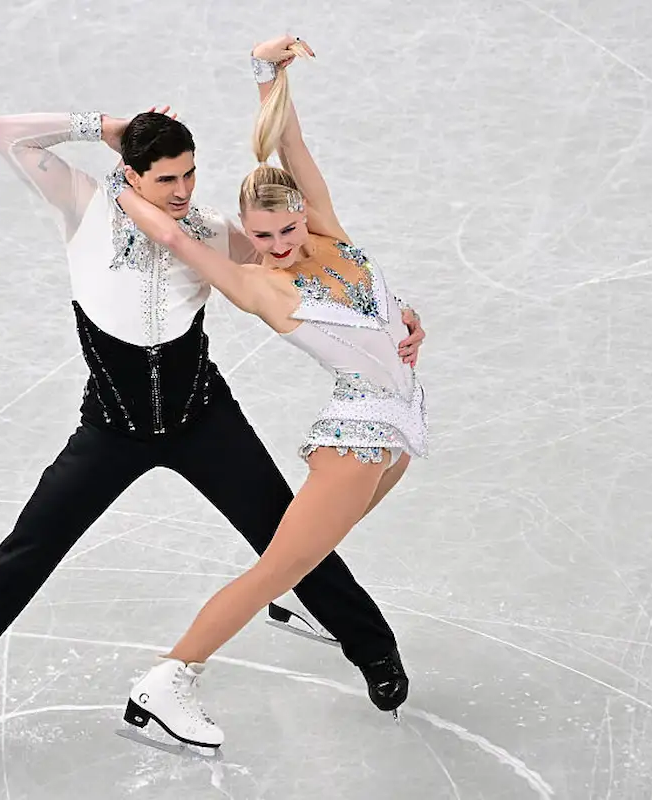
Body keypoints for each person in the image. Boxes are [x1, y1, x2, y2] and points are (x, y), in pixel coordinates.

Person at [0, 94, 427, 764]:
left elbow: (303, 260)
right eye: (166, 178)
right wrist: (105, 127)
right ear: (130, 173)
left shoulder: (213, 229)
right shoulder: (82, 204)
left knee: (288, 531)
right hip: (113, 427)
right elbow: (4, 133)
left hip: (202, 415)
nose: (183, 190)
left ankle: (370, 645)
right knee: (24, 555)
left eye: (189, 173)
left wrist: (397, 313)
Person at [114, 35, 428, 750]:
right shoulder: (258, 283)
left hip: (396, 431)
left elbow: (292, 147)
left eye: (287, 227)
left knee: (305, 557)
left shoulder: (332, 238)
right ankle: (167, 678)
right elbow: (173, 235)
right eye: (262, 234)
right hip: (354, 439)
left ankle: (300, 595)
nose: (280, 242)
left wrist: (268, 78)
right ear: (247, 235)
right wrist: (125, 187)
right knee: (277, 567)